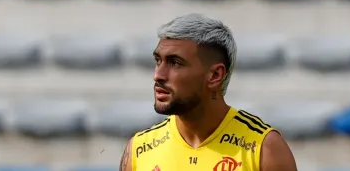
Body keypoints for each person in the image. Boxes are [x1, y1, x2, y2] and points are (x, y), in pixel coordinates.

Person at [119, 13, 297, 171]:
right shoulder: (139, 150)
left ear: (214, 75)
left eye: (175, 63)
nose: (158, 75)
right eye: (158, 61)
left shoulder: (263, 149)